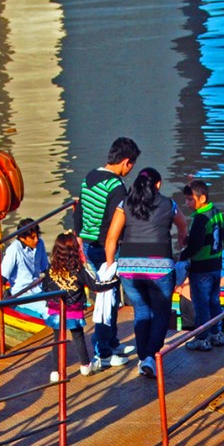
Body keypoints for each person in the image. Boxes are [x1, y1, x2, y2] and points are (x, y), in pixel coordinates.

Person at [104, 167, 188, 378]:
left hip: (129, 268)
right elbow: (183, 225)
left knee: (141, 311)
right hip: (160, 266)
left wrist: (110, 264)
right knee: (160, 312)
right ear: (158, 184)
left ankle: (144, 359)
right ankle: (150, 356)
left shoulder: (125, 204)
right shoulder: (169, 204)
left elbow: (111, 238)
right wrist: (181, 242)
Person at [75, 136, 140, 369]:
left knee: (105, 298)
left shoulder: (90, 176)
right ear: (125, 162)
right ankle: (103, 351)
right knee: (107, 299)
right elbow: (116, 224)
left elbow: (79, 212)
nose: (130, 169)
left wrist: (79, 238)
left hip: (89, 246)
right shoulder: (116, 187)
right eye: (131, 164)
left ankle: (111, 342)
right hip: (106, 249)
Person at [40, 233, 120, 382]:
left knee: (57, 339)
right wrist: (114, 281)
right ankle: (85, 365)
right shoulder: (78, 269)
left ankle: (55, 372)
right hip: (73, 309)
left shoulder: (51, 269)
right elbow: (95, 285)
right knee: (78, 337)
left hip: (55, 308)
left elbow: (45, 287)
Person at [179, 179, 224, 350]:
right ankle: (216, 333)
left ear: (202, 199)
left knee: (201, 303)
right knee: (214, 301)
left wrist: (182, 256)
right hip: (216, 264)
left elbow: (196, 246)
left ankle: (202, 337)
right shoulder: (217, 212)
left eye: (190, 199)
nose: (187, 203)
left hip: (201, 268)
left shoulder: (200, 218)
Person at [0, 217, 49, 317]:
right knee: (47, 309)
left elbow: (46, 268)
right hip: (22, 294)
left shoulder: (40, 243)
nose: (36, 240)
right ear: (22, 238)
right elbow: (2, 277)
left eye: (37, 236)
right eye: (32, 237)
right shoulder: (14, 249)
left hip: (38, 288)